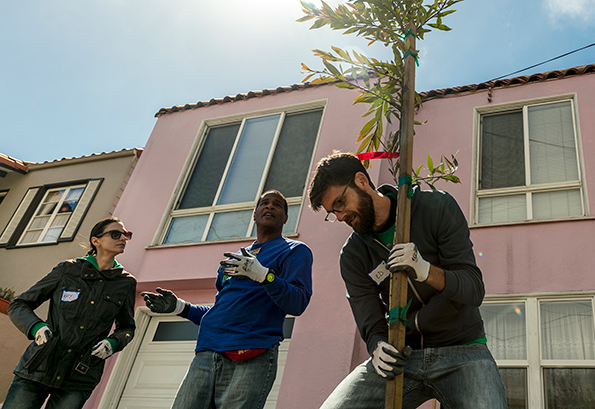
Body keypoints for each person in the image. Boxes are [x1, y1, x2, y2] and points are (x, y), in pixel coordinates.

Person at [308, 152, 507, 408]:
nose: (339, 216)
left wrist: (425, 270)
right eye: (331, 212)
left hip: (463, 349)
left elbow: (473, 288)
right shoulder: (353, 254)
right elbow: (369, 317)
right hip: (403, 355)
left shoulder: (437, 208)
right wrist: (378, 347)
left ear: (361, 180)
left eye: (340, 203)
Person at [140, 190, 313, 409]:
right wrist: (180, 307)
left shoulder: (294, 251)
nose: (269, 207)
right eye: (264, 203)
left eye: (277, 205)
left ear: (286, 218)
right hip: (206, 354)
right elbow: (220, 312)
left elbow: (297, 303)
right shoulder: (235, 260)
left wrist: (264, 276)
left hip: (251, 354)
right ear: (254, 213)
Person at [5, 217, 137, 409]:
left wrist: (113, 342)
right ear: (96, 240)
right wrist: (36, 328)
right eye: (116, 234)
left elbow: (127, 327)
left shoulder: (126, 283)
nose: (123, 238)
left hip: (80, 376)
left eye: (127, 235)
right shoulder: (68, 270)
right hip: (38, 366)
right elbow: (19, 304)